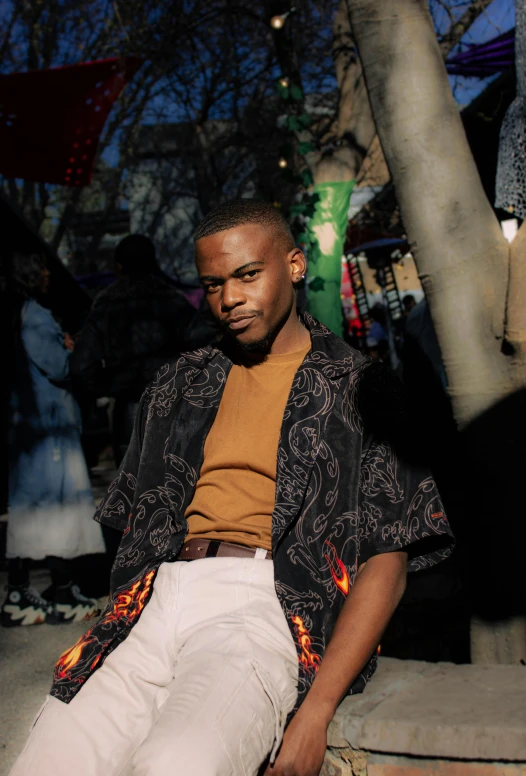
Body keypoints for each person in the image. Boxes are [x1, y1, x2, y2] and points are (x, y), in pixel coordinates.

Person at [11, 201, 454, 776]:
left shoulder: (358, 387)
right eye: (213, 284)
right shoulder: (181, 382)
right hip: (152, 602)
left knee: (178, 765)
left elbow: (388, 558)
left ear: (293, 265)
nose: (230, 299)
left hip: (260, 604)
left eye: (248, 274)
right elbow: (131, 518)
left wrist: (316, 711)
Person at [2, 253, 104, 627]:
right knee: (54, 507)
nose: (48, 273)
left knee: (33, 507)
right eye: (42, 268)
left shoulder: (18, 314)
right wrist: (70, 350)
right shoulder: (36, 316)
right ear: (29, 274)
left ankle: (28, 591)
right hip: (49, 427)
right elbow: (59, 367)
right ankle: (55, 591)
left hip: (31, 427)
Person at [70, 234, 207, 467]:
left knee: (132, 492)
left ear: (119, 267)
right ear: (154, 263)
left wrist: (117, 384)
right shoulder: (172, 301)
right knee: (176, 490)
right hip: (174, 409)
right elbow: (204, 350)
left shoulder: (106, 305)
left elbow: (81, 367)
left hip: (128, 414)